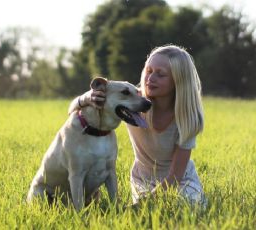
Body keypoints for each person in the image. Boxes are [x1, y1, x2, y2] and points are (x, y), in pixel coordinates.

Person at [74, 44, 207, 207]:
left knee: (185, 206)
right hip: (143, 179)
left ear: (178, 81)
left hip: (180, 181)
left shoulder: (187, 117)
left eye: (161, 74)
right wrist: (87, 98)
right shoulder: (132, 101)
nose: (151, 79)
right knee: (148, 212)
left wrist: (144, 203)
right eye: (149, 71)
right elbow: (72, 108)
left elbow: (175, 177)